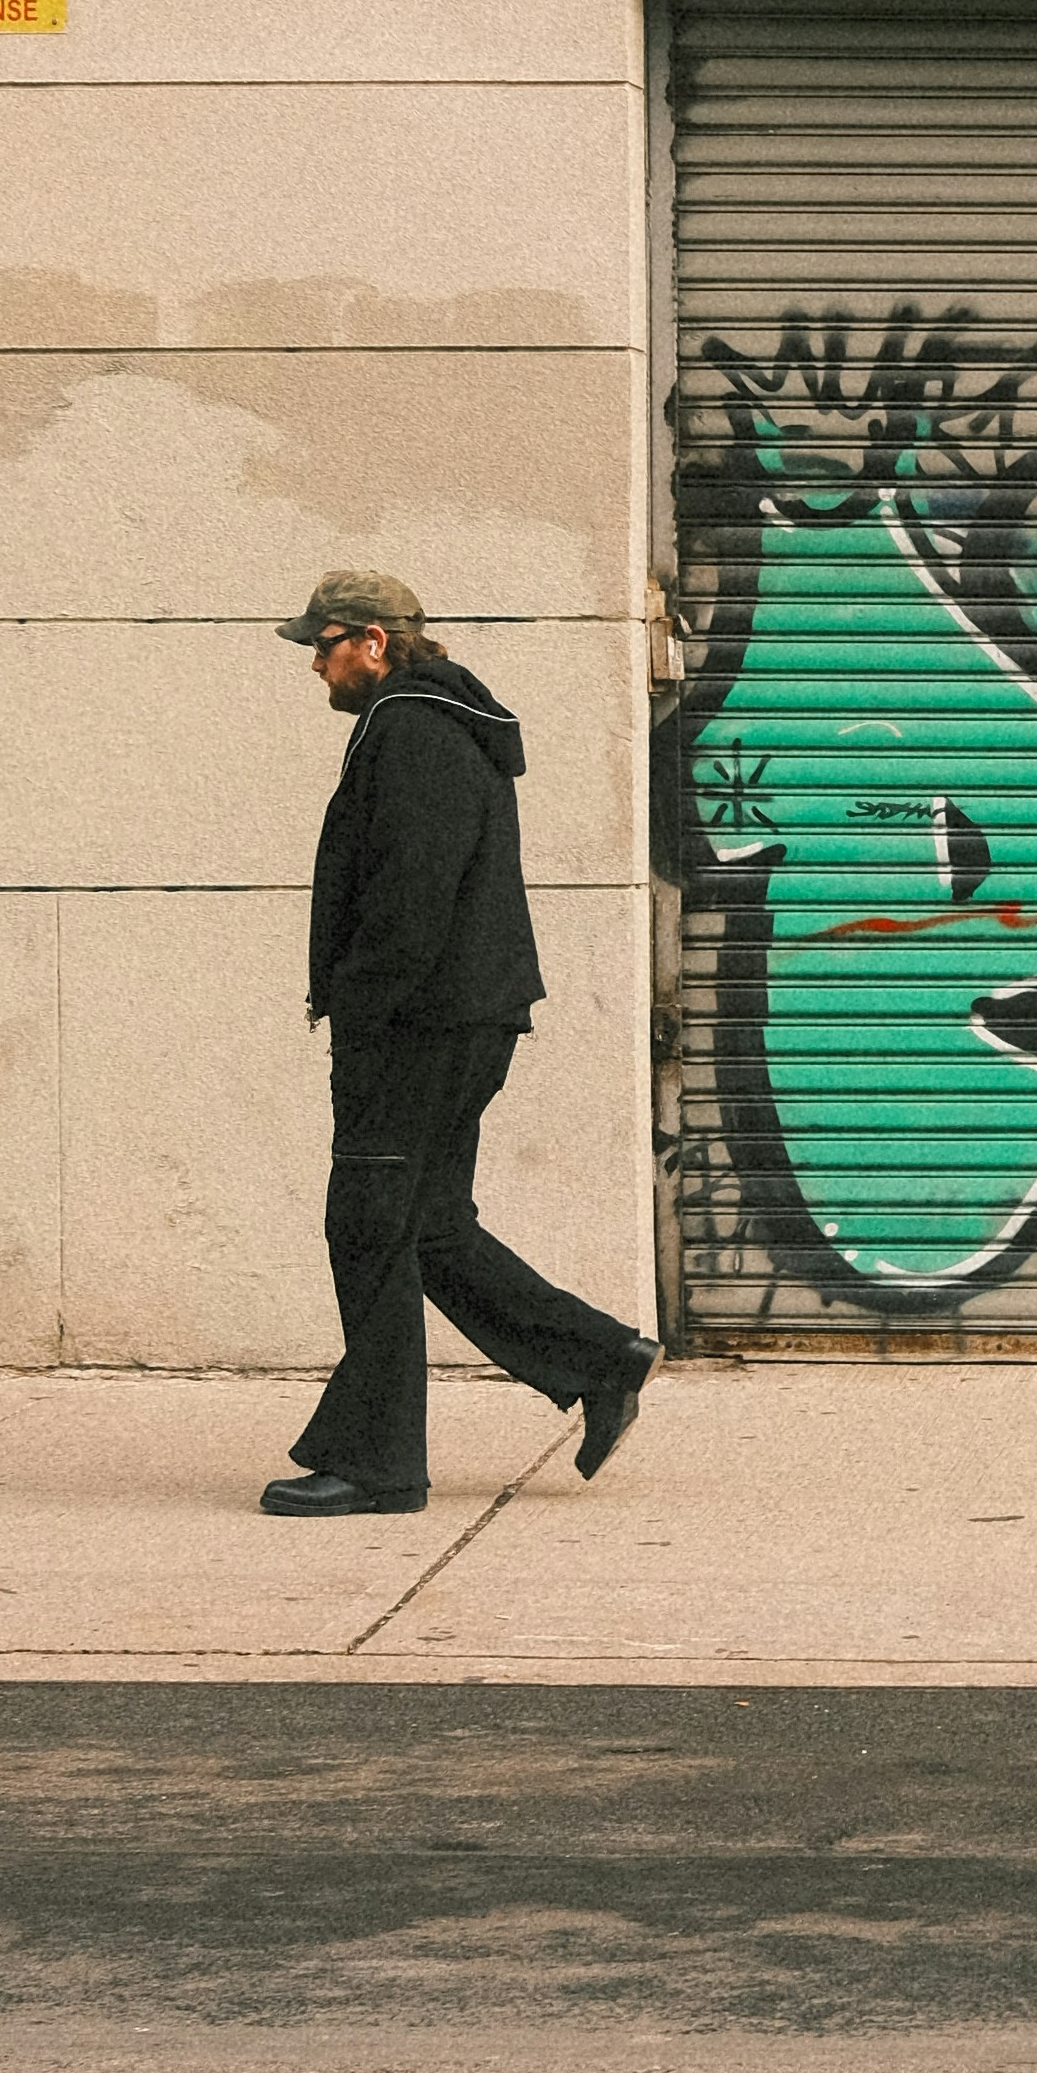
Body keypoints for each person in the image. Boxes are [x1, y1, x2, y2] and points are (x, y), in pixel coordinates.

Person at [263, 567, 657, 1521]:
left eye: (321, 646)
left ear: (370, 640)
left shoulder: (412, 730)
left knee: (368, 1230)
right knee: (426, 1225)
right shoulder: (435, 722)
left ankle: (377, 1463)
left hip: (417, 1028)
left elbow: (410, 897)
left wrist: (361, 1015)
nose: (313, 666)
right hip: (452, 1019)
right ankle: (599, 1360)